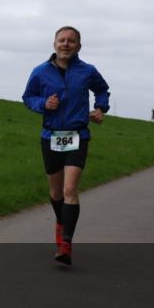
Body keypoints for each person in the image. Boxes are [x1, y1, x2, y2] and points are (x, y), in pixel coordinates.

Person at [23, 26, 109, 266]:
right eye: (62, 40)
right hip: (50, 136)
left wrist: (100, 108)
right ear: (54, 45)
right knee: (56, 192)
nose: (66, 44)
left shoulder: (87, 71)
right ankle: (61, 224)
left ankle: (66, 244)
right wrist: (43, 104)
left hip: (77, 135)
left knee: (70, 190)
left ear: (78, 46)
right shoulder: (40, 72)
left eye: (71, 41)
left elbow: (102, 90)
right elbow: (28, 97)